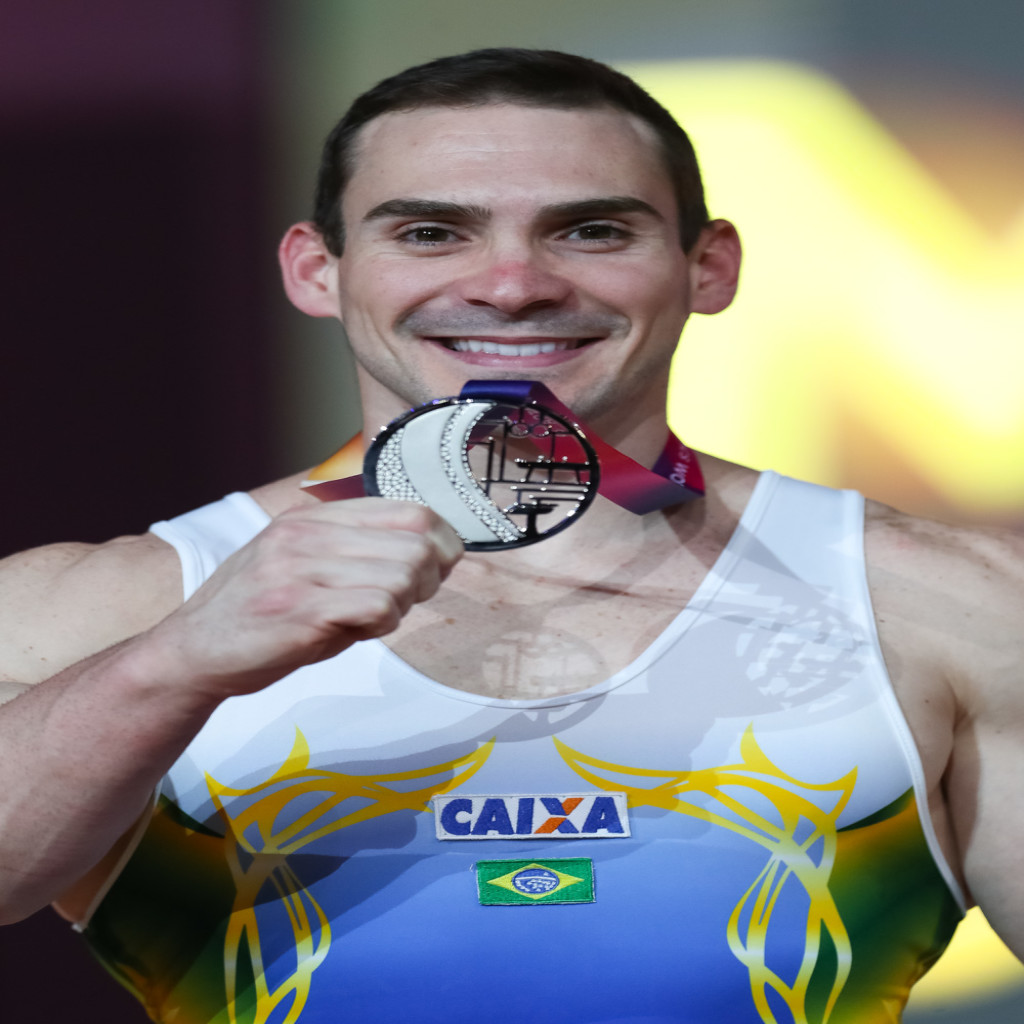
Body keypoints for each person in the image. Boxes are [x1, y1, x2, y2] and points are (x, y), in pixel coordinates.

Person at [0, 47, 1021, 1024]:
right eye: (432, 233)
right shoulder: (100, 610)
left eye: (591, 231)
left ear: (708, 267)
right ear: (317, 271)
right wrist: (174, 664)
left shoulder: (946, 600)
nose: (511, 285)